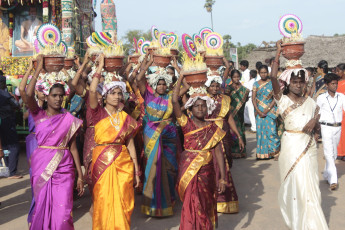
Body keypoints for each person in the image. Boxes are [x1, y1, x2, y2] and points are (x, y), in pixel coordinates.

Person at [271, 40, 328, 230]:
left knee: (310, 184)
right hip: (291, 145)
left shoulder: (310, 101)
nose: (297, 85)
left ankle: (312, 222)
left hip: (309, 147)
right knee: (296, 183)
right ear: (288, 83)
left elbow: (317, 119)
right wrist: (278, 53)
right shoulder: (283, 100)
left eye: (300, 82)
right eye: (294, 82)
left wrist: (315, 121)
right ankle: (297, 220)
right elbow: (272, 76)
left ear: (305, 83)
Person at [26, 55, 84, 229]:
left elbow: (73, 147)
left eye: (60, 95)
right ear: (47, 96)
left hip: (65, 167)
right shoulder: (38, 114)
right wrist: (37, 68)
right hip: (42, 163)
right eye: (54, 95)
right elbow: (27, 93)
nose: (58, 99)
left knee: (63, 212)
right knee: (42, 206)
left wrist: (80, 175)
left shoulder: (68, 119)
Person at [89, 55, 141, 230]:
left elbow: (131, 143)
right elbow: (91, 92)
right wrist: (100, 68)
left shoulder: (125, 117)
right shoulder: (97, 113)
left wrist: (136, 168)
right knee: (103, 198)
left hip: (123, 162)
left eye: (120, 93)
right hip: (102, 160)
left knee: (123, 200)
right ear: (104, 96)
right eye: (113, 93)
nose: (117, 96)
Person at [172, 73, 226, 230]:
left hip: (207, 172)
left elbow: (218, 153)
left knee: (204, 203)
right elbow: (175, 100)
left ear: (207, 107)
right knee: (191, 202)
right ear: (190, 108)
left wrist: (222, 177)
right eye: (197, 106)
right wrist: (181, 76)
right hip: (188, 168)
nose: (200, 108)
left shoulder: (213, 129)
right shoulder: (186, 124)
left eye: (203, 105)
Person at [137, 55, 188, 217]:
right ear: (154, 84)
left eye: (163, 83)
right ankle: (153, 204)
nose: (161, 86)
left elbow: (186, 85)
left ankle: (169, 200)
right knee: (153, 169)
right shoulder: (147, 95)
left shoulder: (171, 97)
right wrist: (148, 63)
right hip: (152, 136)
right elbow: (138, 79)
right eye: (158, 83)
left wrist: (176, 67)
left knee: (171, 169)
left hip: (170, 135)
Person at [205, 70, 244, 213]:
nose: (215, 88)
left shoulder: (225, 99)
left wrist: (238, 136)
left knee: (225, 162)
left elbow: (229, 118)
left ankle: (225, 198)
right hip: (208, 135)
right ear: (207, 87)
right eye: (212, 86)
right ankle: (213, 197)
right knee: (211, 165)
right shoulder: (202, 99)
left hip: (224, 133)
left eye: (217, 86)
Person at [317, 73, 345, 190]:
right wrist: (316, 131)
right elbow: (316, 114)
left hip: (337, 127)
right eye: (332, 84)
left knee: (333, 153)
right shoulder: (321, 98)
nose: (335, 86)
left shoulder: (342, 97)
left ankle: (327, 173)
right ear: (326, 85)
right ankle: (333, 179)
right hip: (326, 127)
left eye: (336, 83)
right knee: (328, 152)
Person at [252, 65, 280, 159]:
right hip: (259, 110)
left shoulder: (272, 83)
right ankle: (262, 154)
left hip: (270, 110)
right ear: (259, 73)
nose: (263, 74)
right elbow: (253, 99)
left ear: (267, 73)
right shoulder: (256, 84)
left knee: (272, 131)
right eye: (261, 73)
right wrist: (258, 110)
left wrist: (267, 109)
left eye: (265, 72)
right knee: (260, 132)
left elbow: (275, 98)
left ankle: (275, 152)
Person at [0, 71, 21, 179]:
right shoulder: (6, 95)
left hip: (2, 122)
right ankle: (12, 172)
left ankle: (7, 168)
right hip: (7, 121)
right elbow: (17, 105)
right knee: (14, 146)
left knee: (4, 146)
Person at [225, 69, 249, 158]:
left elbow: (245, 100)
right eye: (234, 77)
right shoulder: (228, 88)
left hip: (240, 113)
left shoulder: (243, 89)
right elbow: (226, 100)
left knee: (241, 130)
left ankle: (242, 150)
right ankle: (234, 151)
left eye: (238, 77)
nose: (236, 79)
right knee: (233, 130)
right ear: (231, 78)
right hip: (232, 112)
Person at [335, 63, 345, 160]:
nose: (337, 73)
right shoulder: (336, 83)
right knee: (339, 132)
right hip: (338, 111)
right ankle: (340, 152)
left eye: (338, 71)